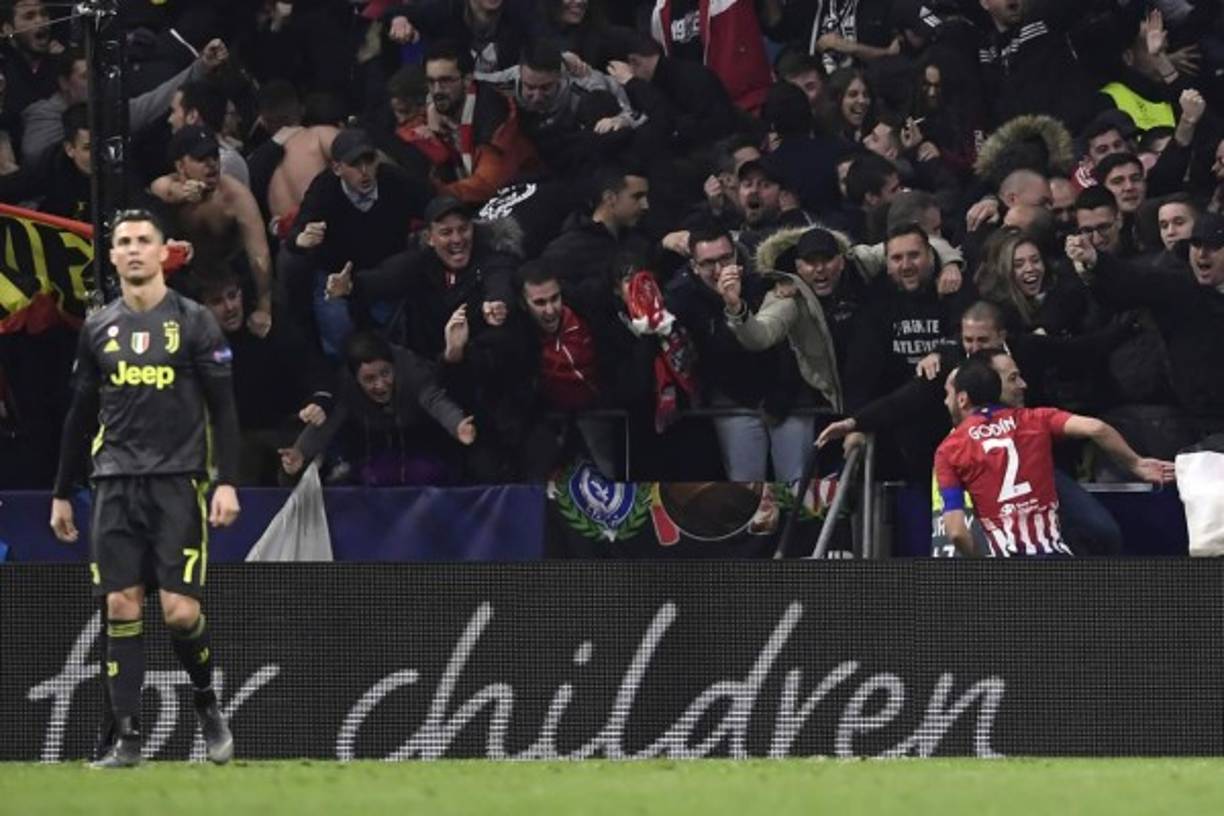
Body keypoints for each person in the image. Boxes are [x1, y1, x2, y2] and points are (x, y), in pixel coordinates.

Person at [48, 209, 241, 767]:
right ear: (111, 256)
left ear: (164, 252)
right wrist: (63, 491)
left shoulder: (195, 321)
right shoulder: (97, 327)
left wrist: (226, 481)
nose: (133, 250)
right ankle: (128, 740)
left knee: (181, 613)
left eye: (143, 241)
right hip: (113, 482)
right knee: (120, 604)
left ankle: (206, 702)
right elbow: (79, 414)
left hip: (178, 483)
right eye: (123, 242)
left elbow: (224, 409)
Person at [934, 351, 1174, 557]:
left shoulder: (949, 449)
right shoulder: (1036, 419)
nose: (946, 402)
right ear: (996, 386)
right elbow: (1096, 428)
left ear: (963, 398)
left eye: (948, 395)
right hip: (1055, 556)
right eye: (1013, 378)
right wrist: (1136, 464)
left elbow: (956, 532)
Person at [150, 126, 274, 338]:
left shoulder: (235, 196)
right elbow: (161, 188)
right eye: (201, 159)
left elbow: (259, 255)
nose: (211, 164)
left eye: (214, 156)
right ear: (181, 166)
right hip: (185, 278)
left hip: (229, 274)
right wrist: (181, 193)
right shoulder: (168, 186)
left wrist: (264, 307)